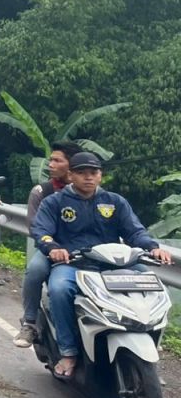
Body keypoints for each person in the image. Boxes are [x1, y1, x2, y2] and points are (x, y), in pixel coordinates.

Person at [31, 152, 173, 379]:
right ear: (71, 175)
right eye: (81, 172)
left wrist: (152, 247)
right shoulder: (54, 202)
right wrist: (53, 248)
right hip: (73, 263)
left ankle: (147, 355)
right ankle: (68, 352)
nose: (88, 177)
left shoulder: (115, 202)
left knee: (154, 287)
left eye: (93, 172)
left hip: (114, 264)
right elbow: (42, 231)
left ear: (100, 175)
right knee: (59, 290)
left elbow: (135, 231)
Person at [12, 141, 80, 347]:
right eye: (51, 160)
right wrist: (52, 247)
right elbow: (35, 227)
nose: (50, 164)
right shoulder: (42, 191)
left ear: (72, 165)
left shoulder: (91, 192)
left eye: (57, 160)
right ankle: (30, 323)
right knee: (35, 270)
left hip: (84, 249)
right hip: (51, 248)